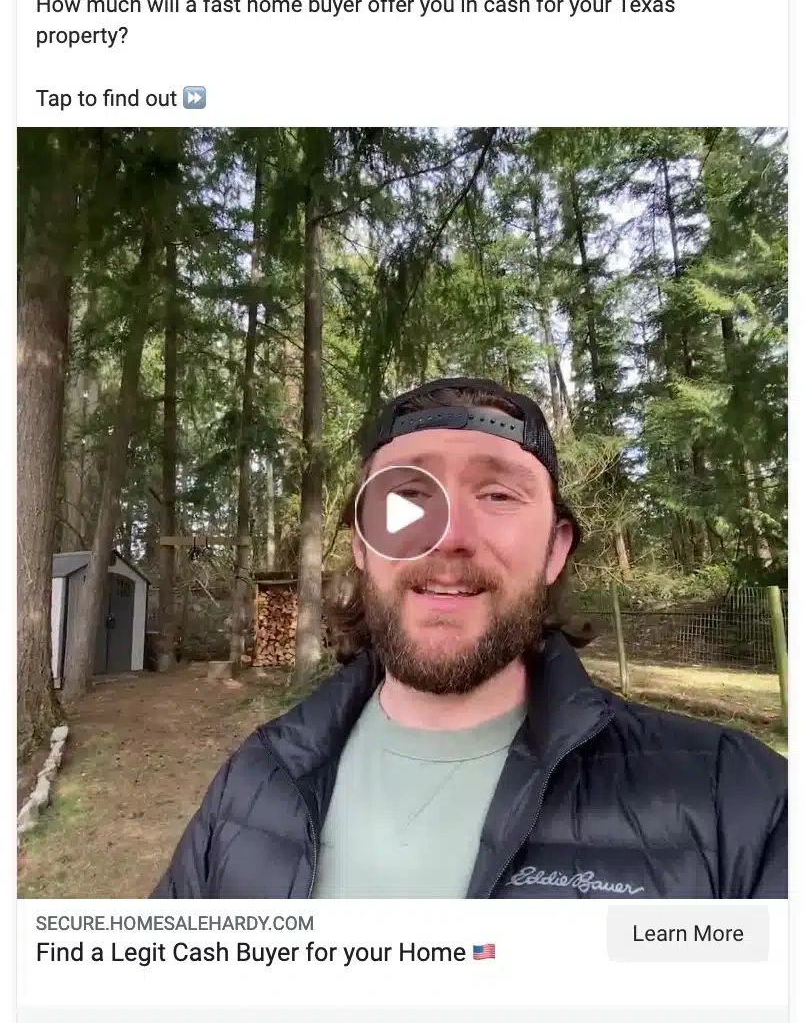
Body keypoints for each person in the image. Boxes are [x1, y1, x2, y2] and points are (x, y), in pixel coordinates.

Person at [151, 377, 787, 899]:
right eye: (407, 496)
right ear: (363, 546)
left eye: (498, 494)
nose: (449, 535)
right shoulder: (255, 781)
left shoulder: (736, 803)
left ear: (555, 549)